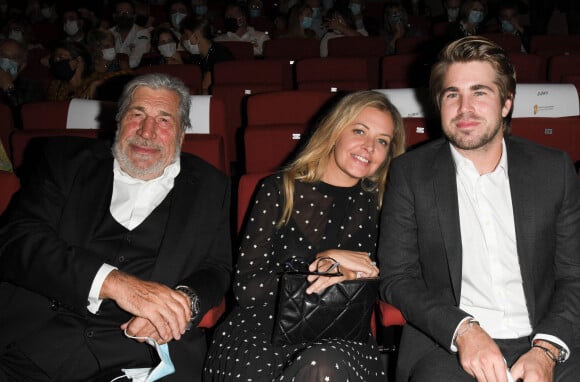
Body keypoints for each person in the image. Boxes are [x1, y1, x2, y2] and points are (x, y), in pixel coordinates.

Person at [0, 73, 233, 381]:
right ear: (119, 120)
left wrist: (183, 304)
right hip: (33, 343)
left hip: (143, 352)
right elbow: (17, 240)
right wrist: (115, 283)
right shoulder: (64, 159)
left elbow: (217, 268)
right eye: (137, 115)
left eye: (164, 120)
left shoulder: (210, 185)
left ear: (181, 134)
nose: (147, 132)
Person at [378, 35, 580, 382]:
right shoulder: (410, 173)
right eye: (452, 94)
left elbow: (573, 273)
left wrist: (546, 348)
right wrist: (463, 330)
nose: (464, 108)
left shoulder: (553, 169)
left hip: (548, 339)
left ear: (506, 103)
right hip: (447, 345)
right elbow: (397, 278)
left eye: (480, 92)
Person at [204, 90, 406, 381]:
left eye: (382, 141)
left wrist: (365, 275)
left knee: (322, 365)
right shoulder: (278, 189)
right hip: (262, 328)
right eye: (359, 130)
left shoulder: (385, 202)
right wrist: (322, 261)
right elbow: (247, 290)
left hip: (342, 335)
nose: (369, 146)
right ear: (335, 130)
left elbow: (395, 282)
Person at [180, 16, 233, 94]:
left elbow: (204, 89)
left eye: (187, 35)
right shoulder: (196, 56)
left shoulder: (220, 55)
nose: (185, 40)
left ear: (196, 36)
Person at [109, 0, 151, 68]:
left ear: (134, 16)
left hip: (134, 74)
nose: (124, 15)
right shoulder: (109, 33)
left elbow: (137, 59)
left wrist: (115, 66)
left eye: (127, 12)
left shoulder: (142, 33)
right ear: (114, 16)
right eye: (120, 12)